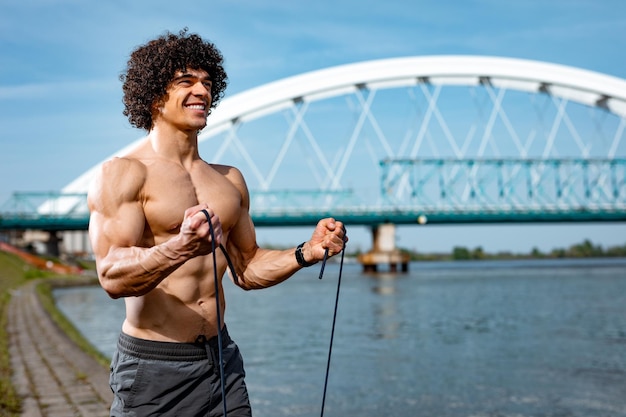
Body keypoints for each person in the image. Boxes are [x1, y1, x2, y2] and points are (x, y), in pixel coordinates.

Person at [87, 29, 347, 417]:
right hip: (154, 367)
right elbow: (111, 276)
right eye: (185, 81)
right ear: (154, 93)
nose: (202, 91)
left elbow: (247, 269)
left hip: (221, 361)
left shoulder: (228, 180)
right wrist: (179, 247)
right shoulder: (124, 173)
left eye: (208, 83)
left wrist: (306, 252)